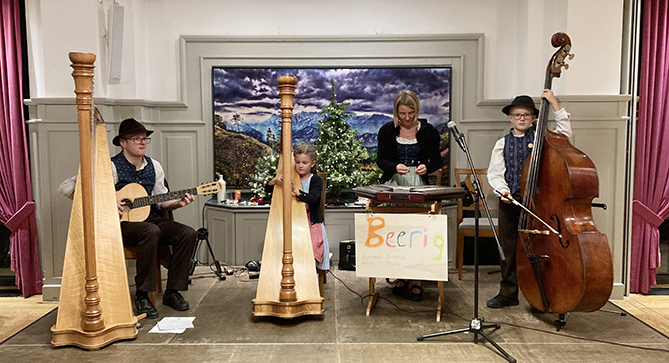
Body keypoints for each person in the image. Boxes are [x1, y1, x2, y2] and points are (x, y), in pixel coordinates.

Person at [59, 118, 197, 319]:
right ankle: (142, 295)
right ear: (122, 142)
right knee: (150, 231)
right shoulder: (110, 166)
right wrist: (105, 201)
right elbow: (66, 187)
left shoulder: (154, 166)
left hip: (149, 218)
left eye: (144, 138)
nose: (142, 142)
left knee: (187, 233)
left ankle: (172, 291)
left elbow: (160, 200)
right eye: (136, 138)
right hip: (118, 224)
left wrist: (178, 203)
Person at [486, 89, 572, 308]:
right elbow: (495, 174)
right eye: (517, 115)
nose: (521, 119)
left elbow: (566, 136)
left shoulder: (544, 139)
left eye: (526, 115)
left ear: (534, 117)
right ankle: (508, 293)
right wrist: (502, 191)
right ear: (510, 118)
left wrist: (555, 105)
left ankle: (541, 295)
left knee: (540, 249)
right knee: (508, 247)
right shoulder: (502, 144)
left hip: (540, 202)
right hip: (511, 200)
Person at [376, 90, 442, 301]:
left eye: (411, 113)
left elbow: (436, 161)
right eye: (402, 114)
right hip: (394, 184)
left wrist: (426, 167)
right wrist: (395, 166)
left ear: (417, 111)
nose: (406, 118)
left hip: (418, 185)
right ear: (396, 112)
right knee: (397, 233)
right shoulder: (387, 130)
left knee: (417, 233)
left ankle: (416, 280)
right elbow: (381, 160)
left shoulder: (429, 131)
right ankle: (401, 276)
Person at [267, 144, 330, 271]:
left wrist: (297, 191)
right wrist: (274, 181)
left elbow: (313, 199)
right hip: (292, 223)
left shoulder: (315, 180)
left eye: (304, 163)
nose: (300, 166)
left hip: (311, 224)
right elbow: (267, 190)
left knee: (308, 254)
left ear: (312, 164)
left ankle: (311, 278)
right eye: (297, 162)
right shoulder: (289, 178)